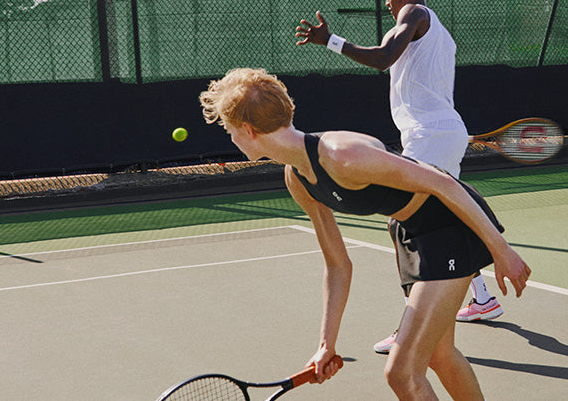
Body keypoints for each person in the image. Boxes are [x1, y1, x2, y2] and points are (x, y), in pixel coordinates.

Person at [199, 67, 531, 399]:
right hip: (410, 231)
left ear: (248, 129)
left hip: (449, 223)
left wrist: (501, 250)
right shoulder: (296, 178)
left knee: (402, 373)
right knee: (439, 355)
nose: (230, 137)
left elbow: (442, 182)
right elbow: (338, 265)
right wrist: (326, 345)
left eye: (229, 130)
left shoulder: (342, 155)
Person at [295, 0, 503, 354]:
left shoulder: (413, 12)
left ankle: (411, 324)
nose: (387, 1)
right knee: (443, 215)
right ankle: (480, 296)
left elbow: (382, 58)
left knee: (404, 223)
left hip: (431, 135)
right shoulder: (434, 27)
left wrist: (331, 41)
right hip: (438, 133)